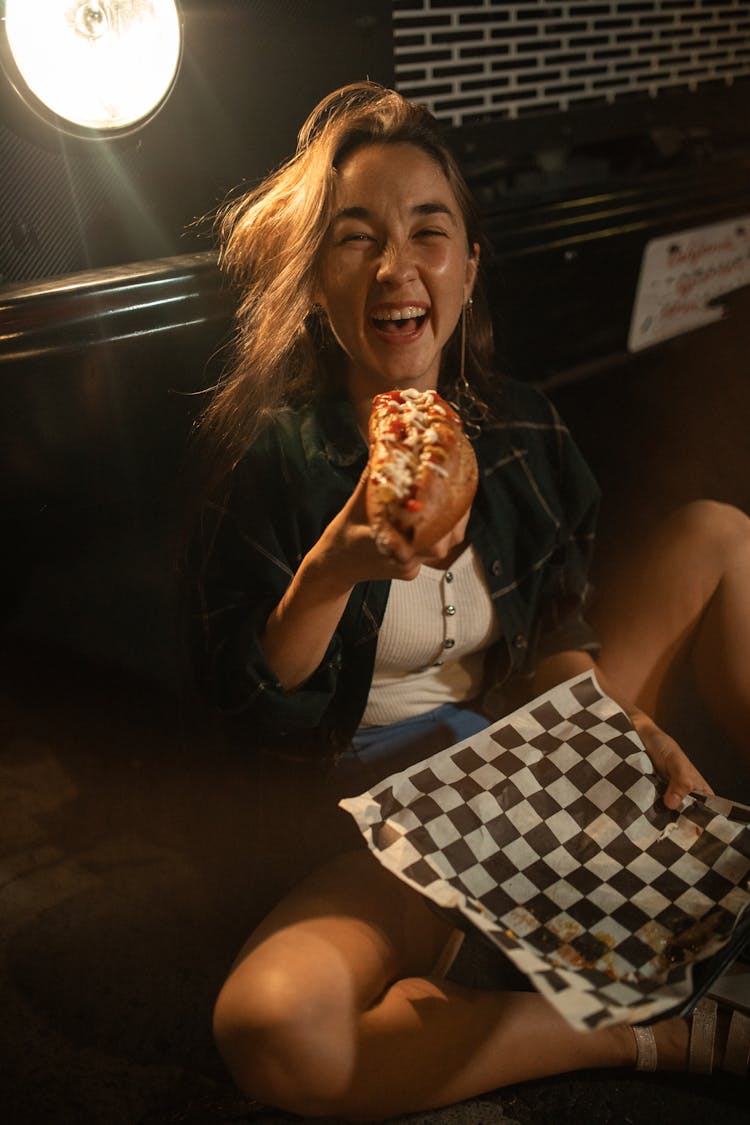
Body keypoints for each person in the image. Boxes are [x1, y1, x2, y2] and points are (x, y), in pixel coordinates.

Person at [185, 82, 750, 1120]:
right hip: (387, 814)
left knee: (720, 531)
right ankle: (649, 1030)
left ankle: (475, 1000)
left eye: (428, 233)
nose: (396, 266)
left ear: (468, 266)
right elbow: (246, 710)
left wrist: (609, 715)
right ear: (316, 281)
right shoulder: (276, 463)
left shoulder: (524, 430)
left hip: (527, 754)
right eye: (355, 240)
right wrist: (336, 567)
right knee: (274, 1029)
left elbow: (556, 635)